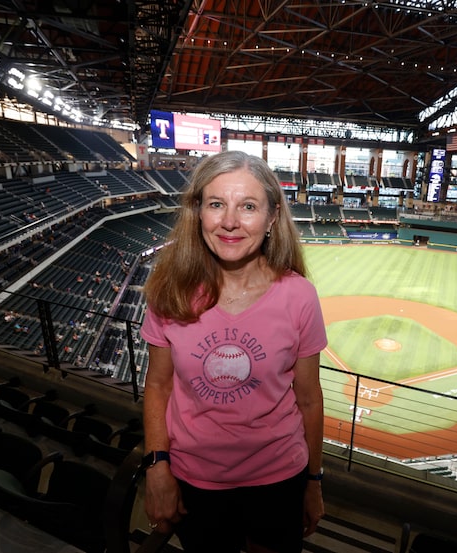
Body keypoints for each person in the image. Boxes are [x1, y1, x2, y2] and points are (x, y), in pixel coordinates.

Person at [140, 151, 328, 553]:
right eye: (216, 204)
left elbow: (309, 399)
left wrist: (313, 482)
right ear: (198, 213)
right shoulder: (169, 290)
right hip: (195, 479)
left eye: (247, 206)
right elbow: (158, 386)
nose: (229, 222)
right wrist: (157, 467)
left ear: (272, 217)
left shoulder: (300, 296)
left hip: (280, 477)